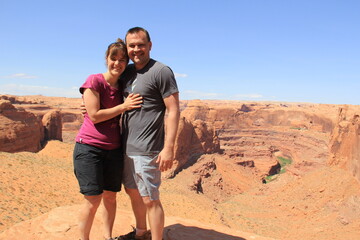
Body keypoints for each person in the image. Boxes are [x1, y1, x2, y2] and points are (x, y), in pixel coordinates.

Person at [73, 39, 143, 240]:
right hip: (89, 148)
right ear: (106, 59)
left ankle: (107, 237)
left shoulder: (123, 86)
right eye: (114, 58)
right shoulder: (94, 80)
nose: (117, 63)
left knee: (111, 198)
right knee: (93, 199)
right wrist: (124, 106)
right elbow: (94, 115)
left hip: (114, 150)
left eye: (122, 60)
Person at [117, 27, 180, 240]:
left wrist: (169, 147)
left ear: (150, 46)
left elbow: (173, 110)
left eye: (141, 44)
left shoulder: (161, 71)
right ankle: (140, 233)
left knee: (150, 199)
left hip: (147, 149)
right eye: (132, 45)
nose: (136, 49)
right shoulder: (127, 72)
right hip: (126, 147)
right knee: (133, 193)